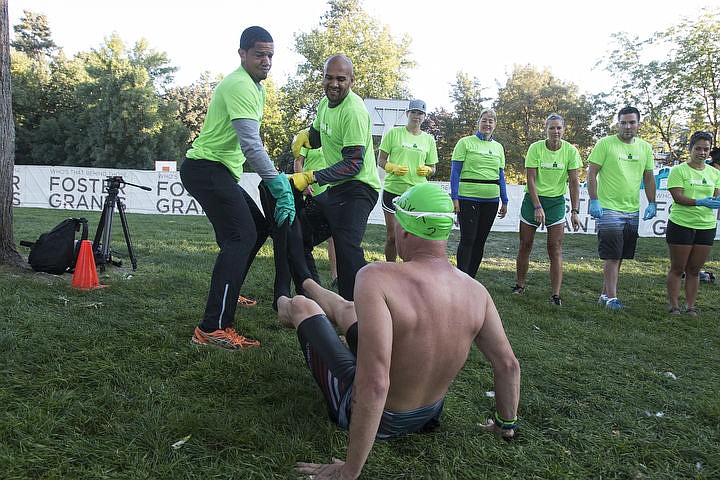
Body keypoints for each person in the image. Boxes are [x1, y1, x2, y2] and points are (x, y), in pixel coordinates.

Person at [276, 183, 520, 480]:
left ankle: (285, 299)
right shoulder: (475, 291)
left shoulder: (377, 276)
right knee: (348, 309)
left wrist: (349, 471)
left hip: (382, 419)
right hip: (428, 413)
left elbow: (375, 382)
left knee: (301, 307)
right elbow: (508, 365)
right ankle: (309, 284)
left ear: (404, 232)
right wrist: (505, 423)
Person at [180, 26, 295, 349]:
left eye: (271, 55)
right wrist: (277, 183)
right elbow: (251, 146)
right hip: (205, 169)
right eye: (260, 54)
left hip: (216, 171)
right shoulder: (239, 85)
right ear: (242, 54)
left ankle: (230, 287)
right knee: (241, 235)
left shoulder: (257, 88)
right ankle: (212, 328)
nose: (267, 61)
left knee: (256, 229)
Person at [289, 54, 381, 301]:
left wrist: (311, 176)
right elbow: (317, 136)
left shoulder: (353, 111)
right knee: (297, 236)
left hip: (359, 189)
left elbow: (353, 165)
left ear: (351, 79)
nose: (334, 84)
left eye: (341, 79)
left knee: (346, 251)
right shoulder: (323, 104)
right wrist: (304, 137)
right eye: (329, 78)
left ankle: (359, 312)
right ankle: (313, 295)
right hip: (336, 188)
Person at [587, 106, 657, 311]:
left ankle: (604, 294)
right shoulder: (605, 144)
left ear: (638, 124)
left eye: (632, 122)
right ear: (617, 124)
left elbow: (649, 176)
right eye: (624, 122)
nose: (628, 126)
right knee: (612, 255)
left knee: (620, 256)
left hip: (632, 209)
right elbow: (591, 173)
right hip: (608, 208)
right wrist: (594, 199)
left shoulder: (645, 148)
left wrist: (652, 202)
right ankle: (612, 299)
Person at [512, 113, 582, 305]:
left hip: (556, 203)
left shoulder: (570, 151)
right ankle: (519, 285)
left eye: (559, 128)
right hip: (532, 201)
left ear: (564, 129)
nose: (555, 131)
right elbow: (531, 180)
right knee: (525, 245)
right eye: (552, 128)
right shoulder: (535, 148)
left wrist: (574, 211)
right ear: (546, 130)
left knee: (555, 248)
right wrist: (537, 206)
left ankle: (555, 295)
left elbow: (574, 183)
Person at [665, 131, 720, 316]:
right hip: (681, 224)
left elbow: (717, 195)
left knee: (695, 269)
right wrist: (699, 201)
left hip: (706, 226)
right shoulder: (679, 171)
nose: (702, 153)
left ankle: (690, 306)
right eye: (698, 149)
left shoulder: (714, 173)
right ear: (690, 149)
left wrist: (715, 201)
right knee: (678, 268)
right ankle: (674, 306)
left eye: (706, 149)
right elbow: (678, 197)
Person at [377, 99, 439, 262]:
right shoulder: (394, 133)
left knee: (412, 236)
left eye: (420, 113)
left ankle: (408, 269)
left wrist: (428, 170)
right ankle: (390, 268)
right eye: (414, 112)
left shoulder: (429, 140)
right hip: (393, 190)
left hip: (416, 193)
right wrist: (391, 168)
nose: (416, 116)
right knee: (392, 236)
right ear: (407, 114)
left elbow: (433, 168)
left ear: (424, 117)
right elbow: (380, 160)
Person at [450, 109, 508, 278]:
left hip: (491, 200)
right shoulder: (465, 143)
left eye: (491, 121)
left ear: (495, 124)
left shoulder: (498, 147)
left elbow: (501, 176)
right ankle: (461, 277)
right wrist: (455, 198)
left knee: (480, 242)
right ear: (478, 122)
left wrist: (504, 200)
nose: (487, 124)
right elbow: (455, 172)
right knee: (468, 239)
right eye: (484, 120)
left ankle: (471, 279)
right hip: (467, 198)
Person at [294, 145, 338, 286]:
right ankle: (304, 274)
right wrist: (304, 183)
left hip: (329, 192)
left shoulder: (333, 139)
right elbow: (298, 162)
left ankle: (335, 276)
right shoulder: (309, 138)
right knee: (304, 234)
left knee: (332, 235)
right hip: (310, 192)